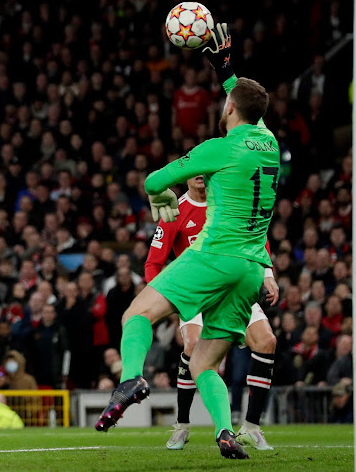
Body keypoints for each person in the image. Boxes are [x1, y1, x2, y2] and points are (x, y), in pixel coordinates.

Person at [95, 24, 278, 461]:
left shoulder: (219, 147)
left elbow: (155, 180)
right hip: (252, 268)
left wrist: (160, 198)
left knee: (135, 314)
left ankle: (131, 379)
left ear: (230, 108)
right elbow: (251, 105)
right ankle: (224, 432)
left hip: (215, 255)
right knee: (202, 364)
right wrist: (226, 68)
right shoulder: (267, 142)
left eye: (226, 101)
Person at [145, 176, 278, 451]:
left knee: (267, 341)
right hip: (196, 293)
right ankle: (182, 424)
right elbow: (154, 262)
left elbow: (257, 236)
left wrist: (267, 273)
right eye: (197, 170)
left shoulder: (229, 202)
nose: (201, 175)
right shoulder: (175, 211)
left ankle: (251, 426)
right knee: (193, 345)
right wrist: (163, 299)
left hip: (233, 288)